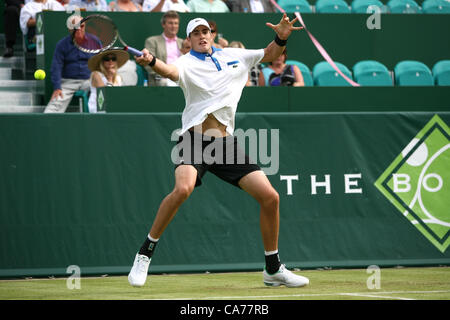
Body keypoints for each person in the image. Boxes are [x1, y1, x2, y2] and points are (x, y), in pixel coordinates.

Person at [128, 14, 309, 288]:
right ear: (188, 40)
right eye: (196, 33)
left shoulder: (234, 55)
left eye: (206, 31)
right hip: (193, 140)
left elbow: (271, 53)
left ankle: (273, 269)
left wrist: (282, 35)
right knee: (183, 189)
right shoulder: (185, 63)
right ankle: (145, 253)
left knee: (270, 197)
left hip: (225, 144)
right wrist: (151, 61)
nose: (202, 36)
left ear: (212, 34)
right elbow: (169, 71)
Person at [44, 15, 97, 113]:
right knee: (51, 111)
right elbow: (56, 67)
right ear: (69, 28)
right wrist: (57, 87)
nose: (79, 29)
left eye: (82, 26)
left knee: (103, 95)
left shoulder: (94, 41)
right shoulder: (62, 44)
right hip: (68, 82)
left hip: (90, 81)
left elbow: (101, 61)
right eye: (75, 27)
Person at [143, 10, 184, 86]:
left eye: (176, 23)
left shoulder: (183, 42)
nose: (173, 26)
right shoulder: (152, 41)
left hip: (180, 78)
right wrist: (165, 74)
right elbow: (148, 63)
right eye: (170, 23)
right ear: (163, 25)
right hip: (162, 79)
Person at [87, 49, 128, 113]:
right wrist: (110, 78)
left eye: (113, 59)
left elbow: (119, 96)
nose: (110, 61)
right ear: (102, 61)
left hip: (114, 108)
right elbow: (105, 95)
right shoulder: (96, 74)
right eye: (107, 59)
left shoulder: (118, 77)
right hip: (98, 108)